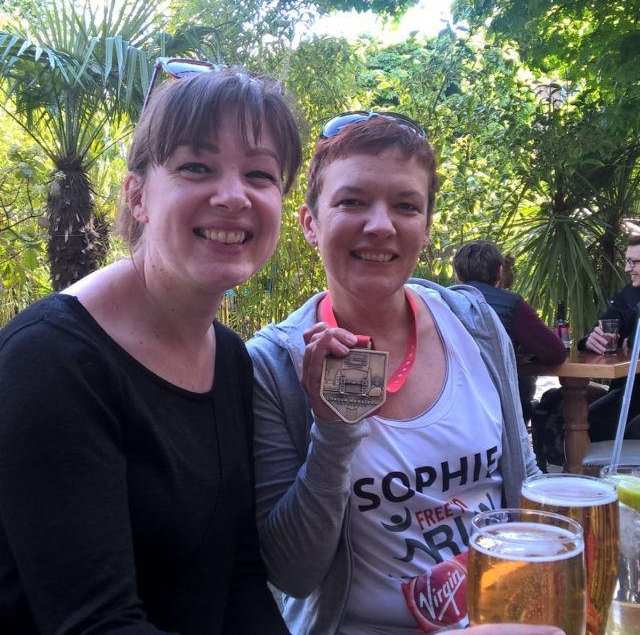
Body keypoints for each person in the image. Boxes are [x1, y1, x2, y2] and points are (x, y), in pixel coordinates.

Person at [0, 63, 302, 634]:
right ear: (137, 196)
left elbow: (238, 577)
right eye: (196, 166)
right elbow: (96, 624)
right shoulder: (52, 362)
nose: (234, 196)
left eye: (260, 175)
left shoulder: (232, 360)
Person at [248, 111, 540, 635]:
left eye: (405, 205)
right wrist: (334, 434)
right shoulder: (272, 365)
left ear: (426, 227)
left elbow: (524, 479)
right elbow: (291, 573)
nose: (380, 225)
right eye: (352, 201)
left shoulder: (474, 325)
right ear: (310, 223)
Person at [452, 240, 567, 423]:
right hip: (502, 410)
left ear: (457, 275)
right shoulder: (512, 304)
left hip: (453, 407)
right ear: (500, 273)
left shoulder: (441, 301)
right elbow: (556, 353)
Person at [578, 234, 640, 441]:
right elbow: (607, 323)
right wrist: (590, 340)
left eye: (634, 262)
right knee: (592, 420)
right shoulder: (632, 294)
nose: (627, 269)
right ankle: (594, 473)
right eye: (626, 261)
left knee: (632, 432)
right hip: (632, 390)